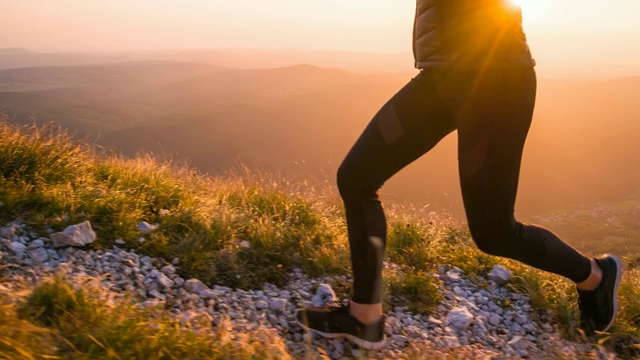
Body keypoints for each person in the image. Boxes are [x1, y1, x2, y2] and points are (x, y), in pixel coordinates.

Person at [295, 0, 622, 350]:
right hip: (441, 77)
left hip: (496, 79)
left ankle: (595, 276)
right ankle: (364, 316)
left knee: (493, 231)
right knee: (357, 177)